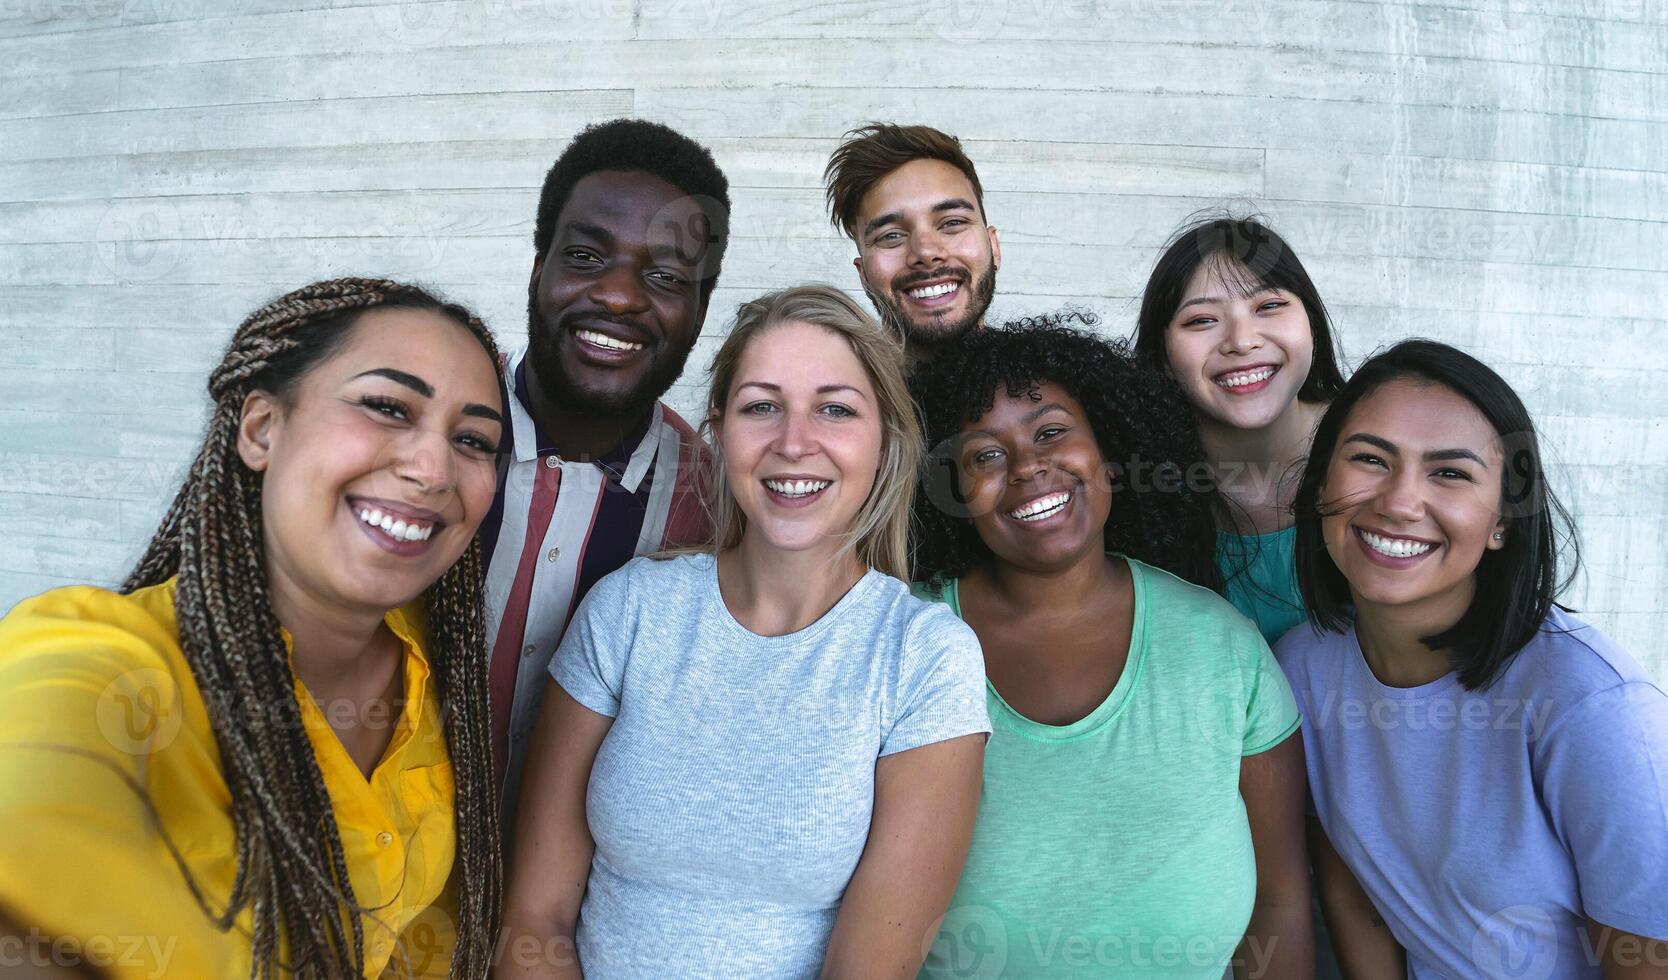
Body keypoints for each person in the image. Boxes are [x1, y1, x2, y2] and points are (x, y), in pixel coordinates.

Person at [0, 279, 505, 978]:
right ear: (262, 428)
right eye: (388, 407)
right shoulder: (107, 655)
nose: (433, 468)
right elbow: (37, 809)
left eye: (473, 439)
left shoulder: (431, 658)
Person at [496, 285, 990, 979]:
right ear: (719, 430)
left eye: (836, 410)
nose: (794, 443)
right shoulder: (629, 611)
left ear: (885, 441)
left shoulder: (923, 656)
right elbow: (533, 919)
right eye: (762, 407)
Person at [910, 318, 1313, 980]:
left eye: (1051, 432)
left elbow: (1282, 905)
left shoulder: (1222, 646)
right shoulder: (907, 639)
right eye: (985, 454)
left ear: (1108, 448)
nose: (1028, 465)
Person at [1279, 339, 1668, 979]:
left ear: (1501, 522)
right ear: (1322, 483)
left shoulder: (1591, 704)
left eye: (1450, 473)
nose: (1400, 502)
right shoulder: (1302, 667)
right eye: (1371, 459)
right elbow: (1358, 894)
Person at [487, 118, 730, 833]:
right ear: (539, 270)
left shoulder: (717, 512)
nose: (620, 297)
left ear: (699, 312)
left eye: (664, 277)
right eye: (587, 257)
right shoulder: (420, 446)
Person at [1134, 215, 1347, 646]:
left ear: (1311, 322)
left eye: (1268, 306)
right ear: (1162, 355)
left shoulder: (1379, 444)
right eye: (1202, 320)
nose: (1242, 341)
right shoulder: (1134, 488)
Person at [824, 122, 1001, 366]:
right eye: (891, 236)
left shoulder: (1051, 390)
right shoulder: (837, 396)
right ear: (863, 274)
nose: (926, 252)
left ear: (994, 247)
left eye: (952, 223)